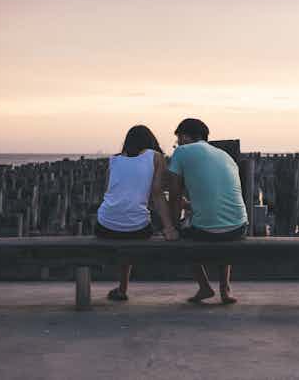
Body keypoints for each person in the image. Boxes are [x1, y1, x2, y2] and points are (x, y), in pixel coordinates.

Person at [168, 118, 248, 304]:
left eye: (178, 139)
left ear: (185, 137)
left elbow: (173, 194)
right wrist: (189, 205)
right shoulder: (224, 155)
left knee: (183, 238)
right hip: (239, 227)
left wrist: (172, 226)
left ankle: (204, 287)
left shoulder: (182, 152)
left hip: (207, 231)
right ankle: (225, 290)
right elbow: (218, 198)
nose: (177, 144)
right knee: (223, 228)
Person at [96, 125, 178, 301]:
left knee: (127, 222)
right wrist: (169, 227)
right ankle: (123, 287)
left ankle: (122, 288)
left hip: (104, 225)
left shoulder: (114, 160)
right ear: (151, 141)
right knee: (135, 222)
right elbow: (157, 194)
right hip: (137, 229)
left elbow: (108, 192)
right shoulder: (156, 157)